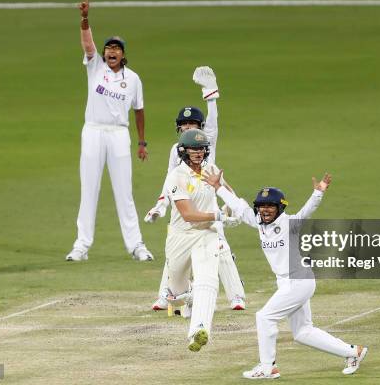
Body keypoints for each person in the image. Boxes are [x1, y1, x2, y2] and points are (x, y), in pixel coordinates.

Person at [202, 170, 368, 379]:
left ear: (279, 208)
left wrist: (318, 192)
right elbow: (238, 205)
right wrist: (218, 188)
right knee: (302, 333)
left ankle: (267, 367)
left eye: (270, 207)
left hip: (298, 281)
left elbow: (306, 212)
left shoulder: (289, 224)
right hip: (288, 283)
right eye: (262, 207)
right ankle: (354, 353)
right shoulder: (259, 223)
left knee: (264, 317)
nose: (265, 211)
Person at [144, 67, 246, 311]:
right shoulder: (174, 150)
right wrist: (160, 205)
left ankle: (237, 297)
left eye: (193, 124)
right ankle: (165, 296)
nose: (189, 129)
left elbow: (214, 123)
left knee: (220, 249)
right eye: (184, 125)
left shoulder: (206, 142)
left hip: (208, 204)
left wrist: (211, 96)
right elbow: (169, 180)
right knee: (176, 253)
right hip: (184, 206)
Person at [66, 0, 153, 262]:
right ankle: (81, 245)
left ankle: (136, 245)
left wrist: (141, 142)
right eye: (108, 48)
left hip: (118, 134)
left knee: (124, 192)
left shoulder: (134, 79)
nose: (111, 51)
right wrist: (84, 18)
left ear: (123, 54)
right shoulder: (95, 67)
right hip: (93, 131)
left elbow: (139, 110)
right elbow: (87, 44)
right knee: (89, 188)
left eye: (116, 49)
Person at [163, 128, 227, 352]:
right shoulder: (176, 176)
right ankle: (187, 296)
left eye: (201, 148)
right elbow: (188, 215)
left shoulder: (212, 170)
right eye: (194, 149)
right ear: (183, 151)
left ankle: (199, 329)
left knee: (207, 280)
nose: (198, 153)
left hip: (206, 234)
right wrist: (219, 215)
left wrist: (233, 210)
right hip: (181, 237)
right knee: (175, 295)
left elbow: (227, 194)